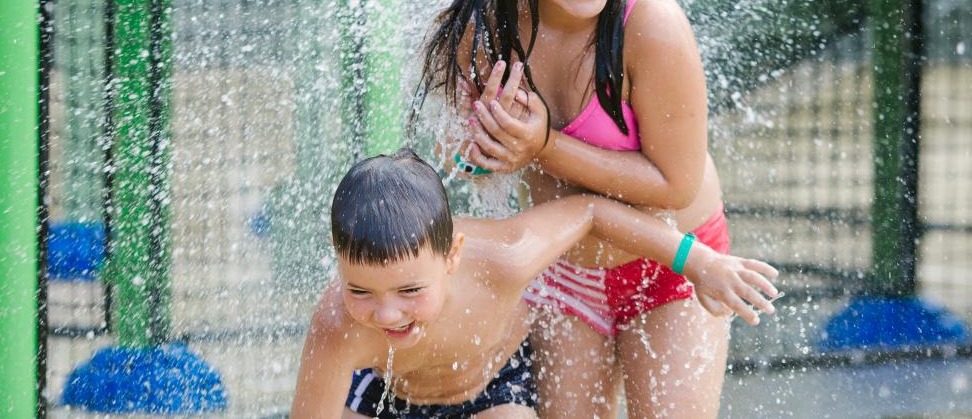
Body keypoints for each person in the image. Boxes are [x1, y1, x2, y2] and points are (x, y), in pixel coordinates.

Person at [417, 0, 742, 417]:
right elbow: (460, 159)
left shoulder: (653, 27)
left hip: (672, 266)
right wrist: (477, 147)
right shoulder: (488, 27)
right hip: (564, 273)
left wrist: (543, 145)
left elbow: (675, 186)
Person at [290, 150, 779, 418]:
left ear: (453, 256)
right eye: (360, 291)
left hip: (493, 390)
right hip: (387, 392)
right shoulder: (337, 325)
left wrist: (696, 260)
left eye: (409, 291)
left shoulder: (502, 257)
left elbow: (590, 212)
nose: (387, 313)